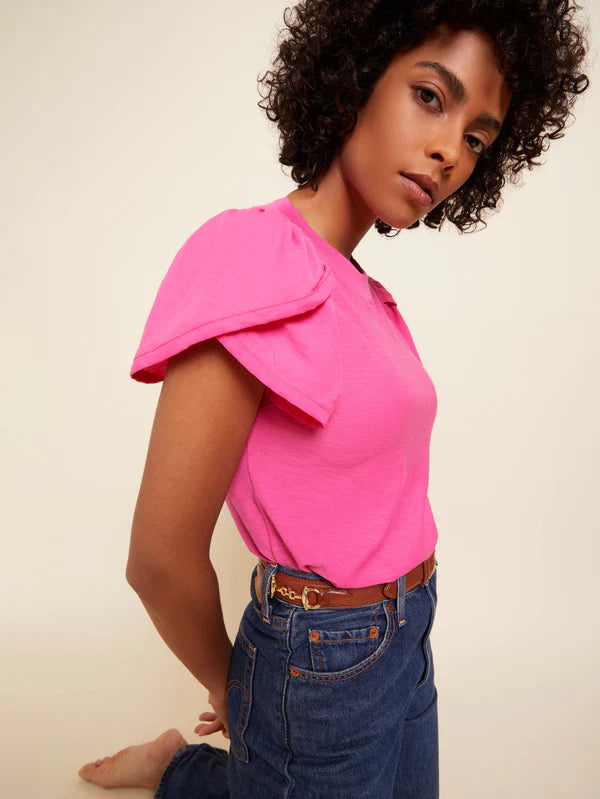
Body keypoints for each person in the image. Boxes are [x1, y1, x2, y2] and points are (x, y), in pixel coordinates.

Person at [78, 1, 590, 796]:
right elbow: (158, 558)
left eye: (480, 137)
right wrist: (238, 688)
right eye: (431, 95)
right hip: (320, 654)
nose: (452, 150)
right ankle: (181, 767)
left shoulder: (368, 296)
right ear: (354, 77)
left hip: (408, 629)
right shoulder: (249, 255)